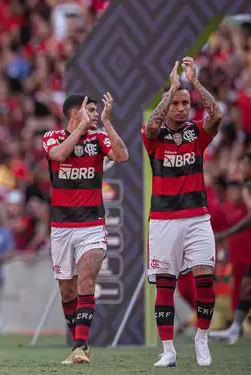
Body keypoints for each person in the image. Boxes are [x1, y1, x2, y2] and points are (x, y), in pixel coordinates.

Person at [143, 57, 223, 368]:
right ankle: (168, 351)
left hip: (197, 217)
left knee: (205, 278)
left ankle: (202, 340)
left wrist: (196, 83)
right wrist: (173, 87)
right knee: (165, 284)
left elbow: (217, 114)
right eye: (175, 102)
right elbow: (151, 126)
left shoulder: (197, 133)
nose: (180, 107)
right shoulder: (154, 134)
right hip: (163, 220)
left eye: (184, 102)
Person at [42, 91, 129, 365]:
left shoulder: (98, 138)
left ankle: (79, 346)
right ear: (74, 114)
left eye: (95, 111)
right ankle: (80, 343)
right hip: (61, 227)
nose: (94, 114)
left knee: (86, 281)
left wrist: (107, 122)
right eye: (89, 110)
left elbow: (123, 155)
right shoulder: (51, 137)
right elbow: (58, 155)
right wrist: (79, 128)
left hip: (92, 224)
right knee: (67, 292)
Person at [210, 155, 251, 345]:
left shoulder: (246, 190)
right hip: (239, 253)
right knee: (245, 286)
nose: (242, 169)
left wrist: (225, 234)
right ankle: (234, 329)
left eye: (244, 166)